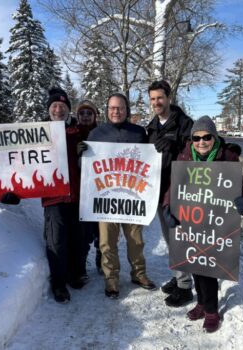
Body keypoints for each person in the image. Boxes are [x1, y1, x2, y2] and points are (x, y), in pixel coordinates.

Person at [162, 116, 243, 333]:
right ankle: (202, 302)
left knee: (208, 268)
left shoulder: (228, 158)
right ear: (191, 139)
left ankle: (211, 310)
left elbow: (241, 191)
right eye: (196, 137)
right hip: (190, 220)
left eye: (206, 137)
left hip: (215, 223)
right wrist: (167, 207)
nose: (201, 142)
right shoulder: (184, 157)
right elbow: (173, 188)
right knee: (194, 263)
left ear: (214, 137)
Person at [1, 87, 87, 304]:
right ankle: (58, 283)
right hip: (54, 197)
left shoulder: (79, 132)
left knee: (79, 238)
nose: (58, 110)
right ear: (49, 109)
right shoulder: (37, 134)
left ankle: (76, 273)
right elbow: (23, 165)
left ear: (68, 109)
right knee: (56, 240)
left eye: (63, 106)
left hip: (78, 194)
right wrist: (15, 192)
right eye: (54, 106)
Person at [85, 93, 157, 299]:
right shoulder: (96, 134)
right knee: (107, 242)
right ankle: (111, 280)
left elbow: (150, 162)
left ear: (127, 110)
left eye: (120, 108)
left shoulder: (138, 133)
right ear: (107, 110)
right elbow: (87, 168)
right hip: (106, 196)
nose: (116, 111)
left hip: (132, 196)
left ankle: (139, 274)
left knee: (135, 241)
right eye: (112, 108)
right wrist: (83, 155)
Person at [146, 80, 194, 307]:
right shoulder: (152, 127)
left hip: (179, 190)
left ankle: (185, 287)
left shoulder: (184, 124)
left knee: (179, 239)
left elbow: (195, 152)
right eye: (153, 99)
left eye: (160, 98)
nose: (156, 102)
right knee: (169, 238)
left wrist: (174, 144)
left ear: (169, 97)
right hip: (159, 189)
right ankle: (179, 276)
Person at [75, 99, 102, 275]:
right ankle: (81, 265)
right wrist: (76, 153)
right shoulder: (72, 133)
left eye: (89, 113)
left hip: (101, 188)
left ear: (95, 115)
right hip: (81, 190)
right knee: (83, 232)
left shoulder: (103, 133)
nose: (85, 116)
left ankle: (102, 260)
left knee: (101, 230)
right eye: (82, 113)